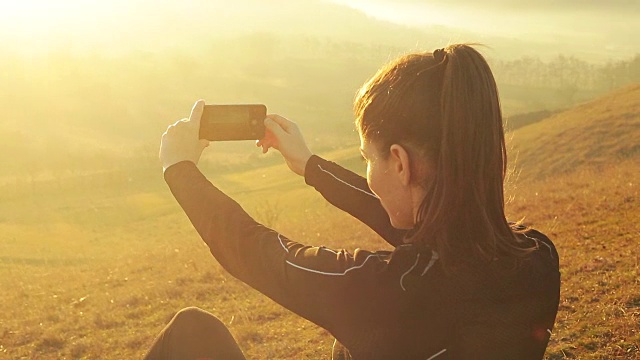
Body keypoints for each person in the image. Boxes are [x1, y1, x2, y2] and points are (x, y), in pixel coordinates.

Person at [148, 44, 560, 360]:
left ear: (399, 162)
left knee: (191, 331)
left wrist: (179, 169)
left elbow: (259, 252)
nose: (367, 171)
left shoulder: (387, 291)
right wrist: (310, 166)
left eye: (367, 158)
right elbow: (422, 224)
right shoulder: (537, 258)